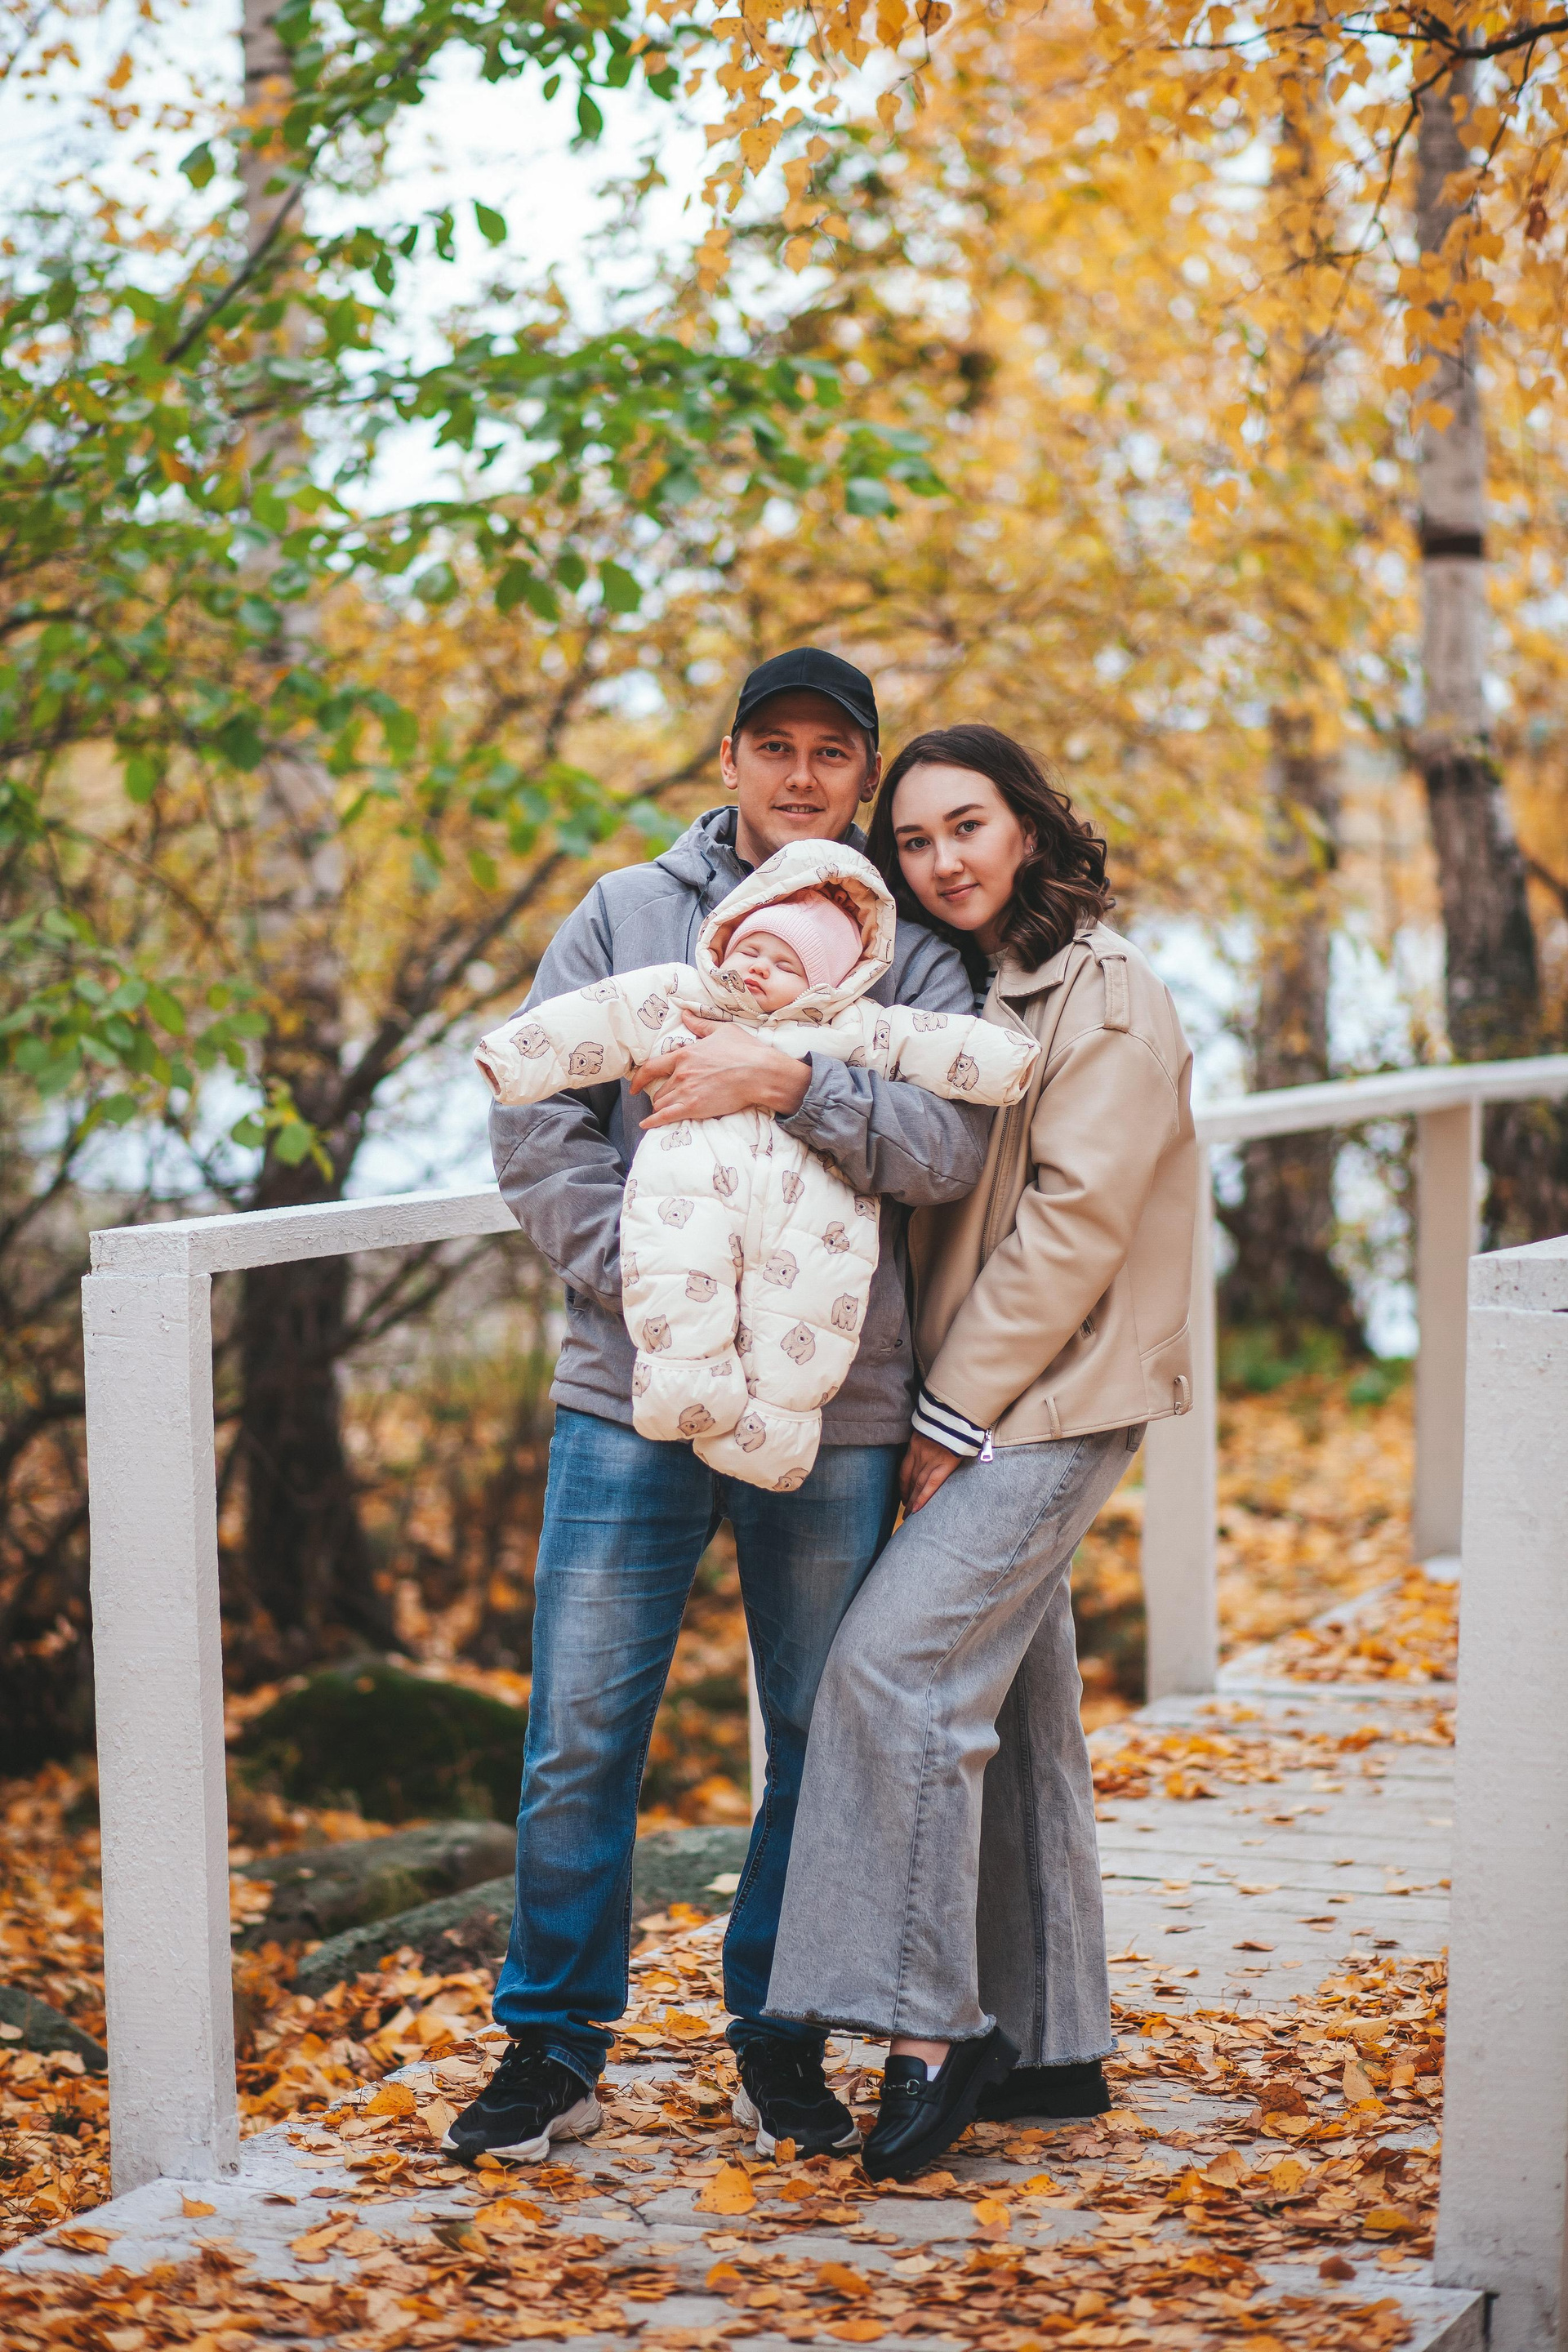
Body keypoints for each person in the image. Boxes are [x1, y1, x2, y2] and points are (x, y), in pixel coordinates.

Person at [444, 650, 992, 2168]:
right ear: (732, 759)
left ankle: (779, 2035)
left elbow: (946, 1147)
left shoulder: (905, 948)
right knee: (580, 1729)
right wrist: (651, 1281)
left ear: (864, 774)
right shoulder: (627, 912)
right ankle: (552, 2046)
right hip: (629, 1388)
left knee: (818, 1730)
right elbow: (535, 1121)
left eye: (833, 752)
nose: (802, 775)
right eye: (776, 746)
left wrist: (783, 1079)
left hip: (838, 1401)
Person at [765, 722, 1198, 2182]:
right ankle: (1051, 2042)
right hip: (972, 1391)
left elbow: (1079, 1220)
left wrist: (951, 1414)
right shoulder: (967, 987)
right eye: (916, 839)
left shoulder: (1105, 992)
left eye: (968, 826)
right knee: (1014, 1706)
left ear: (1028, 826)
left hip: (1051, 1397)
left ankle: (928, 2027)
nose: (944, 858)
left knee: (895, 1669)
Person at [474, 840, 1037, 1491]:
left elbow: (932, 1055)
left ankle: (772, 1440)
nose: (759, 970)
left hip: (812, 1245)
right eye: (750, 952)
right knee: (685, 1313)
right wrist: (632, 1262)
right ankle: (682, 1390)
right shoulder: (681, 990)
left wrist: (799, 1084)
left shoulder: (854, 1024)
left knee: (798, 1342)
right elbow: (597, 1020)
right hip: (676, 1239)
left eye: (784, 964)